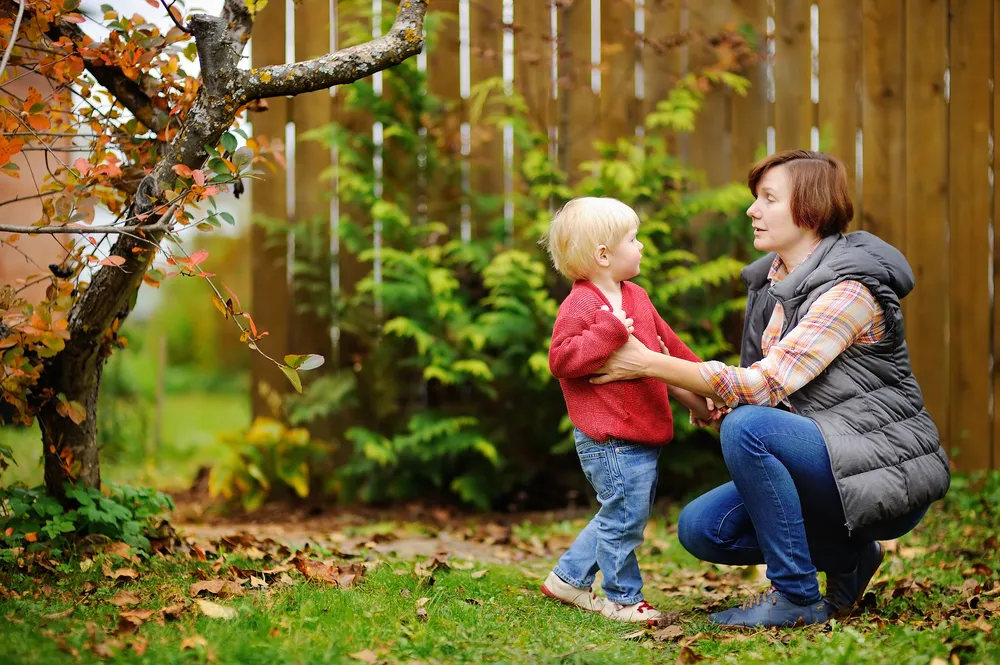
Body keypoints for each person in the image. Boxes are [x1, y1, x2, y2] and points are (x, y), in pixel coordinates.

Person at [589, 151, 951, 628]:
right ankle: (850, 558)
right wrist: (691, 392)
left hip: (878, 470)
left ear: (810, 211)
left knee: (747, 427)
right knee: (703, 529)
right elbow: (760, 392)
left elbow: (762, 385)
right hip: (822, 454)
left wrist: (649, 360)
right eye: (754, 197)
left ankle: (796, 596)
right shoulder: (774, 281)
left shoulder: (849, 291)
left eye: (768, 198)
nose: (752, 210)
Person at [538, 197, 720, 626]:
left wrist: (704, 384)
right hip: (609, 437)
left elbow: (669, 346)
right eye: (633, 240)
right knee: (624, 517)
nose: (640, 247)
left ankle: (568, 578)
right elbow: (561, 360)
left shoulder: (636, 295)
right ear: (603, 254)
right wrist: (609, 330)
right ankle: (621, 598)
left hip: (641, 430)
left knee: (620, 513)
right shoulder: (581, 306)